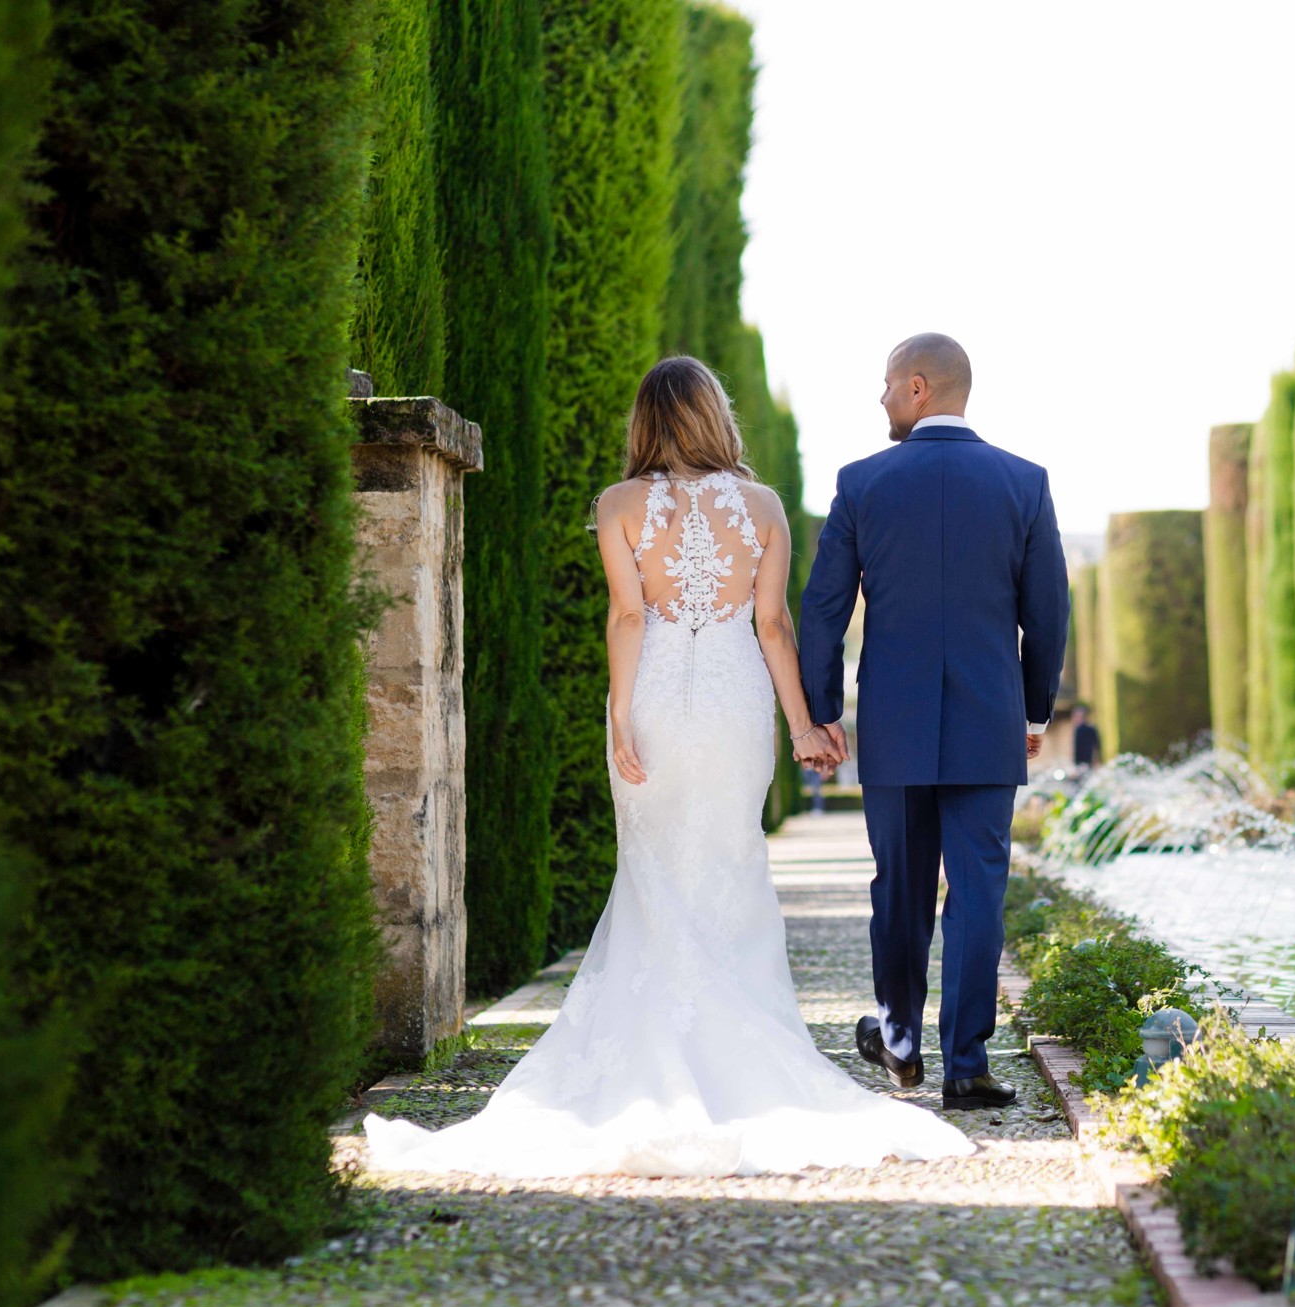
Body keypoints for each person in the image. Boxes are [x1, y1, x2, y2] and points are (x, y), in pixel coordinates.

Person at [364, 357, 972, 1177]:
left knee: (651, 873)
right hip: (731, 707)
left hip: (654, 700)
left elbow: (627, 613)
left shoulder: (618, 505)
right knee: (730, 864)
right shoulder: (761, 507)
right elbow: (773, 626)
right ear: (715, 417)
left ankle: (650, 1051)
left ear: (646, 421)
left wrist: (620, 712)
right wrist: (803, 726)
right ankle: (745, 1058)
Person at [799, 333, 1071, 1110]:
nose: (880, 399)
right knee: (980, 890)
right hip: (989, 720)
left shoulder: (861, 483)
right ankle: (968, 1066)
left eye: (886, 384)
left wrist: (822, 714)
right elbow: (1048, 611)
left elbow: (822, 611)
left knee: (902, 889)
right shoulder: (1025, 482)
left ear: (919, 387)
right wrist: (1031, 705)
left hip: (895, 722)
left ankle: (902, 1039)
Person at [1072, 704, 1101, 770]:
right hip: (1083, 762)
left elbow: (1096, 746)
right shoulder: (1081, 729)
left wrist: (1096, 760)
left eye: (1077, 716)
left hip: (1086, 762)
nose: (1075, 718)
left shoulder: (1083, 729)